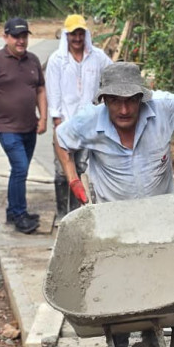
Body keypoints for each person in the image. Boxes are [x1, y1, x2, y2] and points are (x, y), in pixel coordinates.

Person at [54, 61, 174, 347]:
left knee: (159, 286)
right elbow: (61, 140)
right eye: (115, 101)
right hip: (114, 225)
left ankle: (154, 339)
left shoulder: (162, 109)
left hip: (160, 221)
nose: (124, 109)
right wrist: (72, 178)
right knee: (116, 287)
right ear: (104, 100)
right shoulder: (88, 123)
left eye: (131, 100)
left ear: (142, 97)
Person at [0, 17, 48, 234]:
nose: (21, 41)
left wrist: (43, 117)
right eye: (16, 36)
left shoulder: (33, 60)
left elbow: (40, 90)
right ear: (5, 37)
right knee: (20, 168)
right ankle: (19, 214)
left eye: (24, 36)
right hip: (7, 128)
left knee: (20, 171)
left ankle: (12, 210)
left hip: (30, 127)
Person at [45, 14, 112, 222]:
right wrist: (57, 121)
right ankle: (61, 214)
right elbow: (53, 91)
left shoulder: (97, 57)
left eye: (81, 33)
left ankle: (75, 215)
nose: (77, 38)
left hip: (89, 124)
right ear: (67, 35)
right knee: (62, 170)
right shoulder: (57, 60)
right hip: (65, 123)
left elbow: (112, 73)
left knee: (82, 167)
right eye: (73, 34)